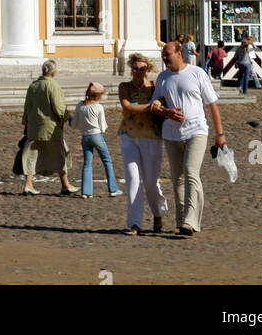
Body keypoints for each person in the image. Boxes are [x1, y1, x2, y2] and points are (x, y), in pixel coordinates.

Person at [149, 40, 226, 236]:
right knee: (178, 179)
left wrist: (220, 134)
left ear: (179, 54)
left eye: (167, 54)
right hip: (171, 134)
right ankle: (182, 219)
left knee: (191, 172)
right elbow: (156, 102)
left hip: (196, 131)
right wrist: (164, 110)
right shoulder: (163, 77)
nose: (164, 58)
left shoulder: (197, 73)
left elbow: (212, 105)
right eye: (163, 55)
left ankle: (191, 220)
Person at [117, 54, 168, 236]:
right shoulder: (124, 87)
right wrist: (149, 107)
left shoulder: (154, 87)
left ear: (148, 70)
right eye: (135, 68)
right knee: (132, 179)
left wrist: (157, 106)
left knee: (150, 182)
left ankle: (158, 212)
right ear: (131, 68)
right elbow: (127, 107)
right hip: (129, 135)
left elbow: (162, 107)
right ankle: (134, 223)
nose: (138, 72)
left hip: (151, 136)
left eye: (142, 69)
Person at [20, 60, 78, 196]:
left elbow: (27, 107)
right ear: (54, 72)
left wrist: (26, 124)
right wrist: (68, 118)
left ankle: (28, 184)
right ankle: (65, 184)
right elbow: (59, 107)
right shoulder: (53, 86)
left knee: (30, 156)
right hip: (51, 129)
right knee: (60, 155)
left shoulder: (33, 86)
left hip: (34, 127)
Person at [70, 82, 123, 200]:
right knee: (107, 160)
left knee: (87, 163)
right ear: (98, 95)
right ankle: (113, 188)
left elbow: (74, 124)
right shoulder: (98, 107)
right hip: (96, 135)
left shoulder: (80, 105)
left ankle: (86, 191)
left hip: (85, 137)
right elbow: (103, 126)